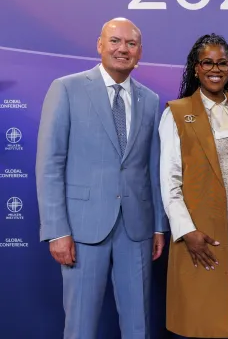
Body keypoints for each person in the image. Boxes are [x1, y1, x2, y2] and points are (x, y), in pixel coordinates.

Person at [36, 18, 168, 339]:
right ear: (100, 45)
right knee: (80, 325)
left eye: (131, 44)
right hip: (81, 229)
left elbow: (152, 167)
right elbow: (50, 163)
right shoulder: (66, 88)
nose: (122, 49)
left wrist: (157, 225)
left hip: (136, 229)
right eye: (115, 41)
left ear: (139, 52)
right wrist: (56, 230)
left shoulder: (150, 100)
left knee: (138, 325)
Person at [158, 33, 228, 338]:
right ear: (195, 68)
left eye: (222, 63)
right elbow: (170, 182)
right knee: (206, 319)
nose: (215, 69)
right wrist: (186, 231)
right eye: (207, 62)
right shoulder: (176, 113)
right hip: (204, 235)